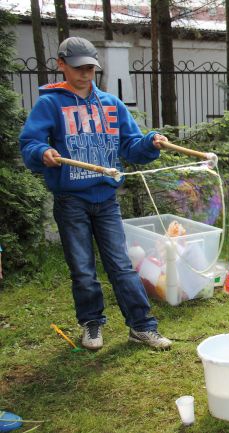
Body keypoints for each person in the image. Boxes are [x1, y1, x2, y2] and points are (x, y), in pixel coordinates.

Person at [19, 37, 172, 350]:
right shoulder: (50, 103)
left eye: (90, 67)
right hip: (70, 200)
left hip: (106, 200)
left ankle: (142, 326)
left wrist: (151, 142)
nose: (85, 74)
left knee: (122, 266)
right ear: (61, 64)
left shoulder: (111, 105)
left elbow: (132, 147)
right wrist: (42, 151)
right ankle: (92, 324)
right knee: (83, 270)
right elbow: (29, 143)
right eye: (78, 68)